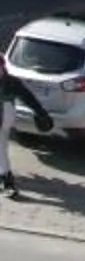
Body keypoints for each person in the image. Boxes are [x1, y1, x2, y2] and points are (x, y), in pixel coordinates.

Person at [0, 65, 47, 196]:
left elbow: (27, 97)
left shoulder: (11, 83)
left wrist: (41, 112)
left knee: (1, 147)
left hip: (4, 115)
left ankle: (6, 179)